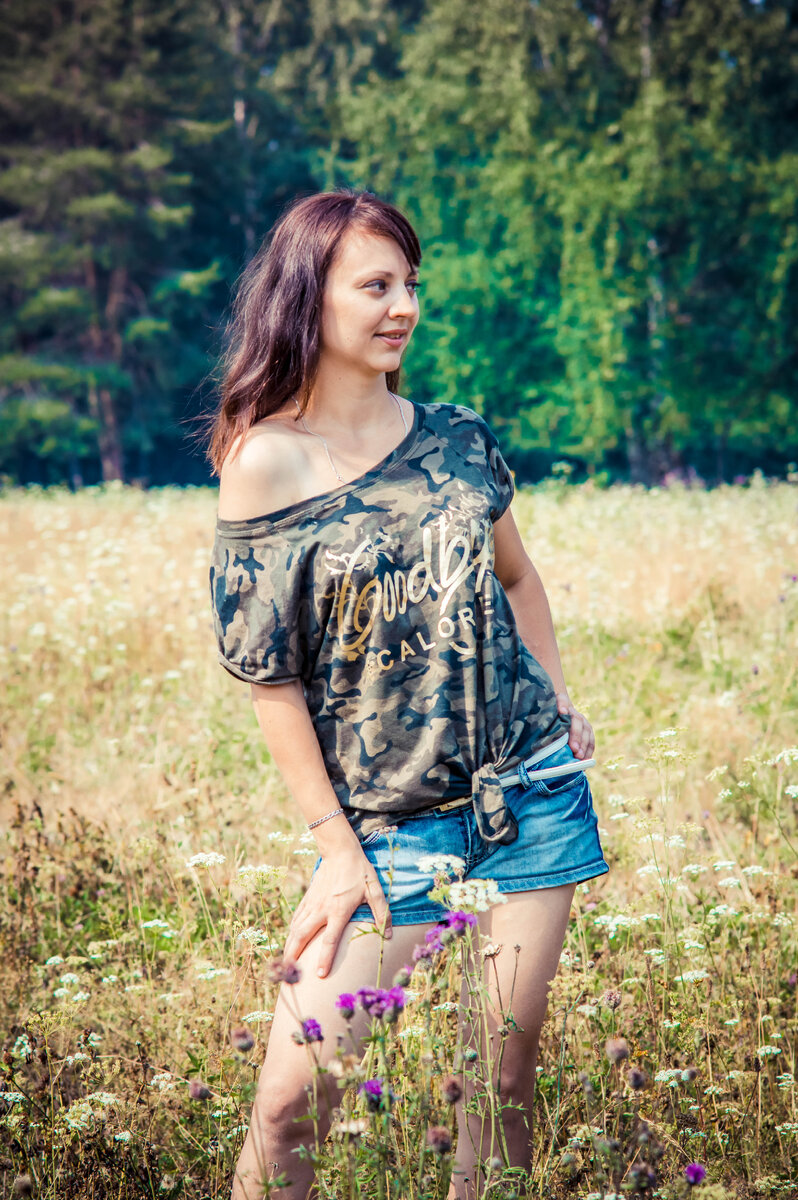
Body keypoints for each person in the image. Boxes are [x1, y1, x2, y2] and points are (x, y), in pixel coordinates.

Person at [208, 188, 609, 1200]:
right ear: (308, 297)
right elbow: (269, 678)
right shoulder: (267, 462)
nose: (404, 308)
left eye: (411, 284)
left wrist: (558, 696)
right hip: (388, 828)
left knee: (499, 1081)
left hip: (531, 799)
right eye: (375, 286)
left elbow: (518, 577)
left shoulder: (459, 435)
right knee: (292, 1099)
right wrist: (339, 852)